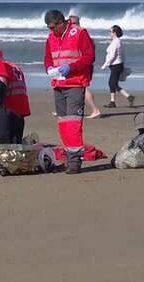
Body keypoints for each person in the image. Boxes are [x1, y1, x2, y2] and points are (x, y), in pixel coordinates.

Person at [44, 9, 95, 174]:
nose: (51, 31)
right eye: (49, 28)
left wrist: (70, 68)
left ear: (61, 22)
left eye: (53, 27)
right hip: (58, 83)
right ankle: (68, 155)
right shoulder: (51, 37)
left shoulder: (79, 33)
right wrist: (49, 68)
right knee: (63, 123)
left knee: (73, 122)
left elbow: (89, 56)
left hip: (75, 83)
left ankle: (74, 161)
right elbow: (47, 58)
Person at [69, 15, 101, 119]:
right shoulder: (78, 34)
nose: (69, 25)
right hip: (82, 66)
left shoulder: (81, 34)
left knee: (82, 88)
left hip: (83, 66)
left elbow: (88, 54)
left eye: (71, 23)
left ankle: (95, 110)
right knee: (76, 89)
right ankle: (72, 110)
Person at [101, 25, 135, 108]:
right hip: (117, 65)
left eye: (111, 32)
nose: (110, 34)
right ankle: (129, 97)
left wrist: (105, 65)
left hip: (116, 65)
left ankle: (113, 102)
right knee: (114, 84)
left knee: (111, 83)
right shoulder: (117, 41)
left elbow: (112, 55)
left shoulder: (116, 42)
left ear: (114, 33)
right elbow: (122, 55)